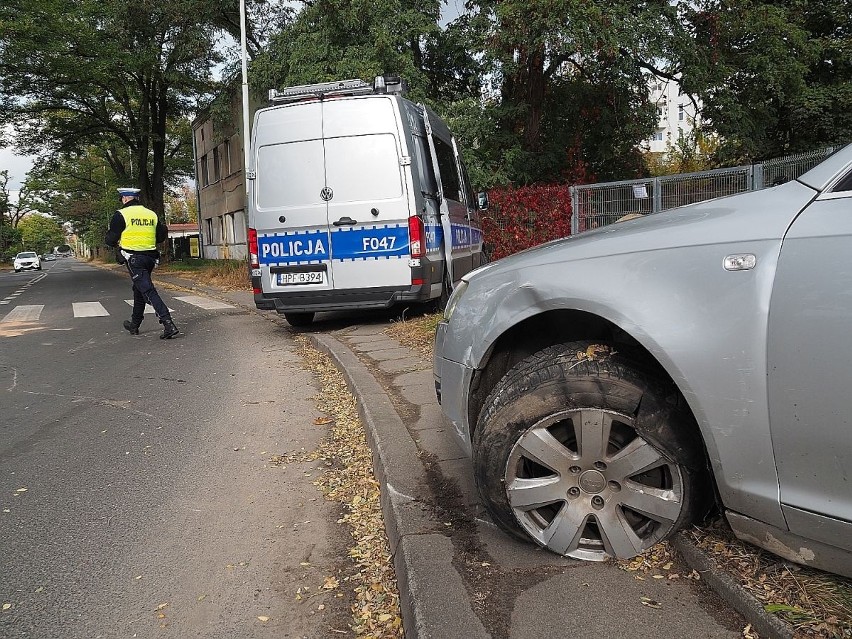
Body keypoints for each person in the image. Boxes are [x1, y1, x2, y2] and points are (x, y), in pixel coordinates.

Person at [105, 187, 179, 339]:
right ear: (136, 198)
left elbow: (110, 239)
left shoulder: (121, 214)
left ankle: (168, 323)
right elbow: (160, 236)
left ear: (125, 199)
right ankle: (134, 324)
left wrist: (117, 244)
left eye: (122, 199)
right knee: (139, 289)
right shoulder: (151, 214)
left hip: (134, 259)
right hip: (151, 258)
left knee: (148, 290)